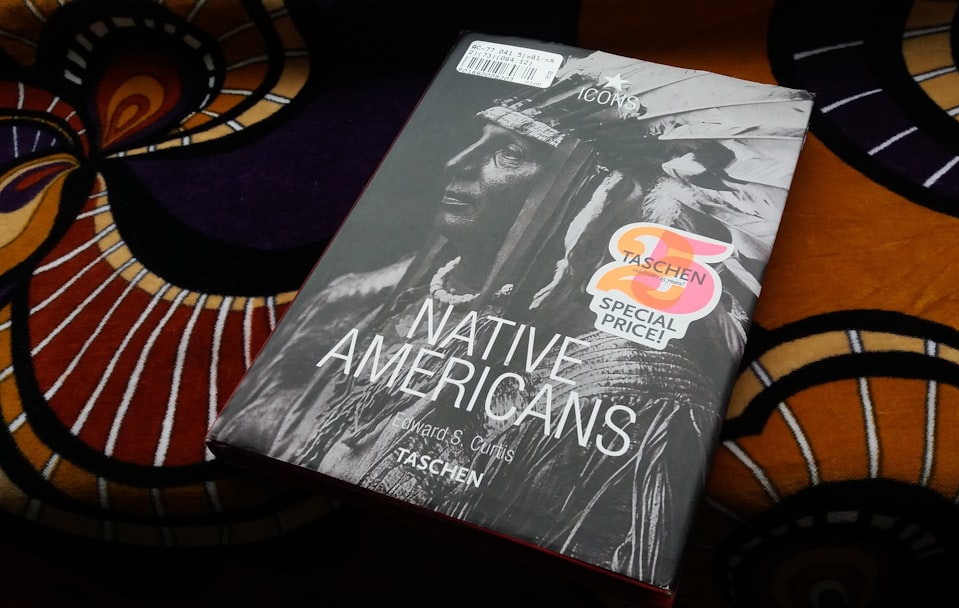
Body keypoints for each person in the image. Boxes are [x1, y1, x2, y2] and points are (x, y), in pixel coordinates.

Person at [211, 48, 811, 586]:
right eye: (478, 142)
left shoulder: (632, 387)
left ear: (591, 196)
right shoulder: (363, 298)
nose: (457, 165)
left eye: (510, 153)